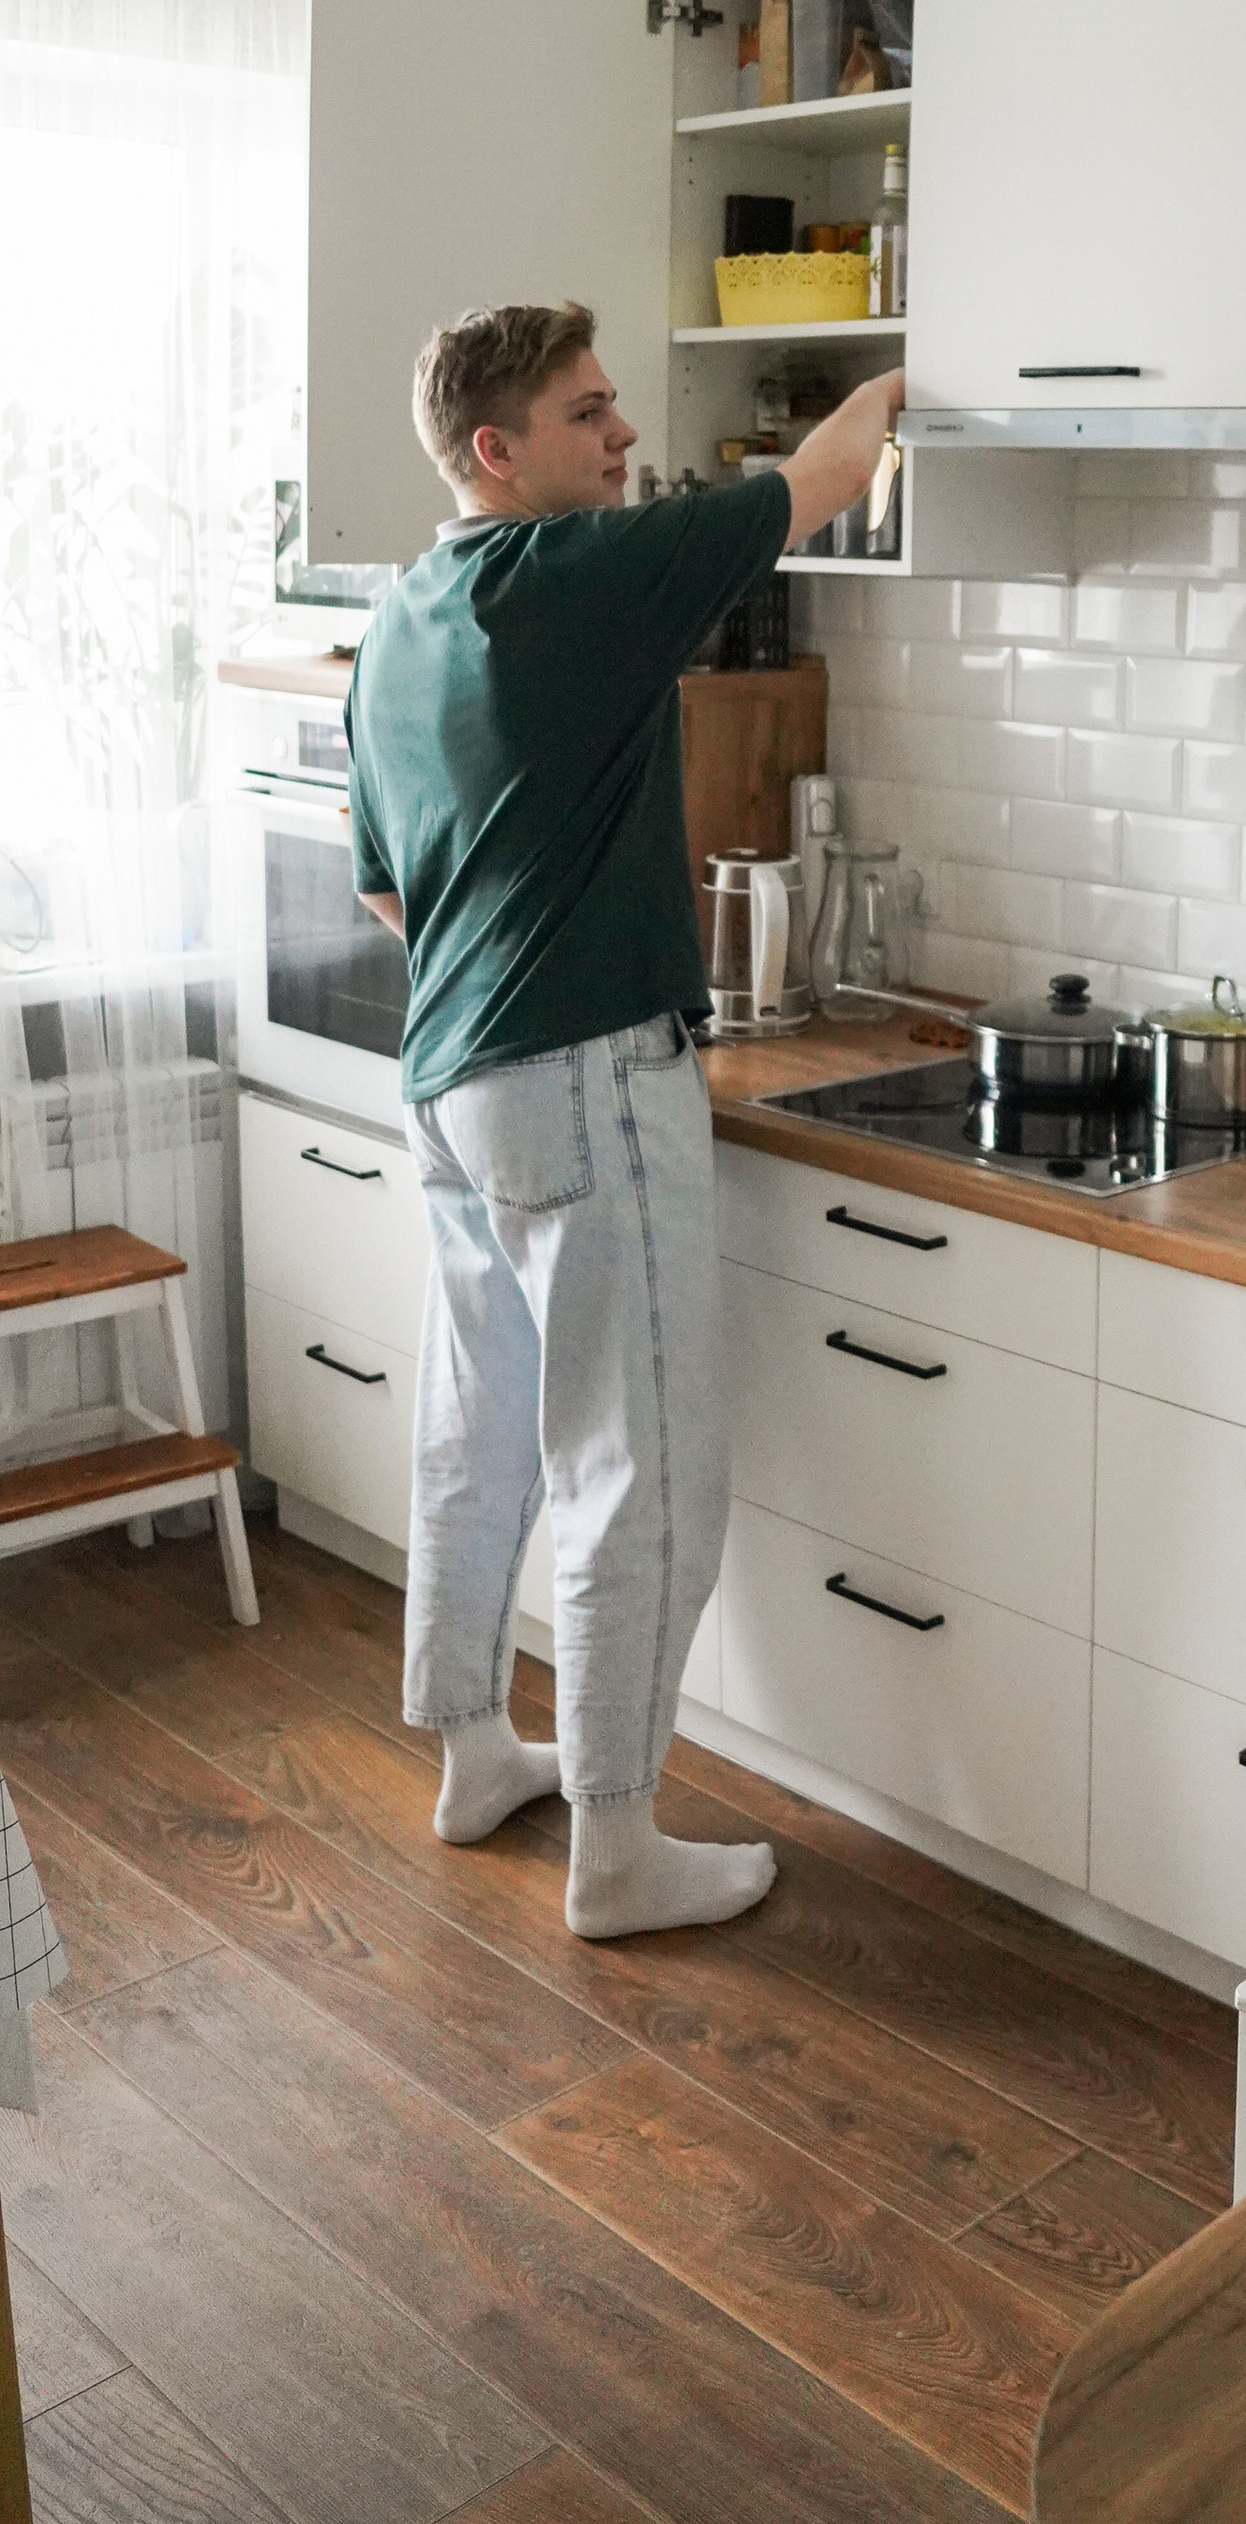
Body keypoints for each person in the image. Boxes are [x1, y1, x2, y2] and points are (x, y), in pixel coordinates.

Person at [344, 303, 903, 1939]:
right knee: (637, 1472)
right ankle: (617, 1843)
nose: (625, 439)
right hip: (585, 1074)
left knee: (479, 1432)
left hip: (450, 1086)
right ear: (497, 452)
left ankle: (468, 1748)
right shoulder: (572, 577)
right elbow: (824, 473)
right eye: (589, 416)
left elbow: (387, 888)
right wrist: (918, 364)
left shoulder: (405, 612)